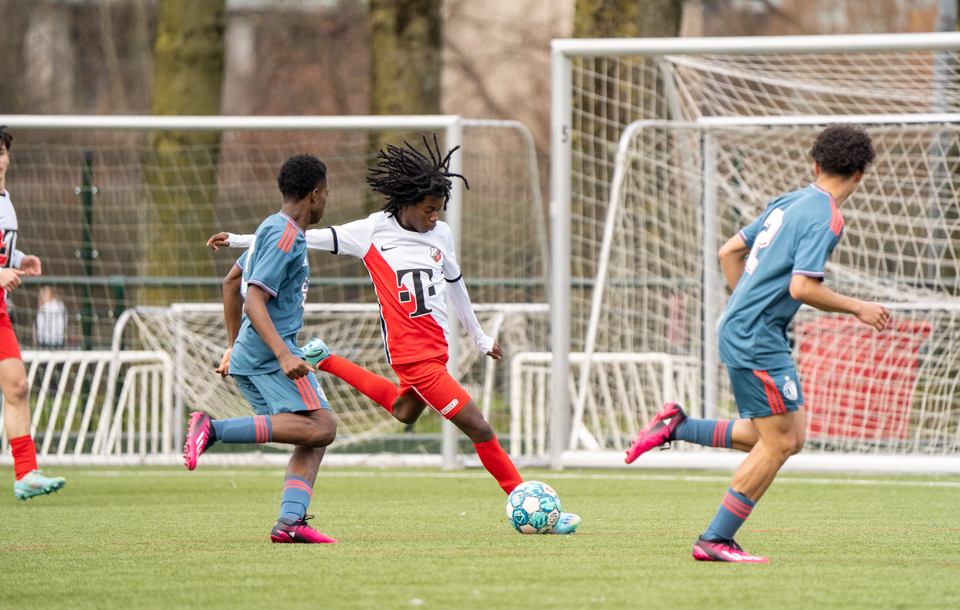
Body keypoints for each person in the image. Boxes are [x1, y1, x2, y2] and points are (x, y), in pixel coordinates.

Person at [208, 136, 581, 534]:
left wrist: (479, 337)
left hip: (437, 352)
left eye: (439, 210)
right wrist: (242, 239)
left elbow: (456, 284)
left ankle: (328, 361)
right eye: (428, 210)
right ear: (406, 203)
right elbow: (303, 235)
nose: (434, 217)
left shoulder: (441, 235)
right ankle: (533, 505)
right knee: (481, 428)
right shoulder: (372, 231)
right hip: (414, 358)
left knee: (405, 411)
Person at [624, 123, 890, 562]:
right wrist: (858, 307)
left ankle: (677, 425)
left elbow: (729, 251)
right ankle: (715, 539)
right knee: (780, 443)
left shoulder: (789, 202)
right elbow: (803, 288)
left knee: (789, 436)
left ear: (816, 163)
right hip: (756, 336)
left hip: (746, 328)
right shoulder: (827, 216)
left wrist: (744, 304)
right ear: (861, 174)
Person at [186, 153, 338, 544]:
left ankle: (290, 523)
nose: (327, 200)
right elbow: (253, 299)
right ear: (314, 194)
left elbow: (230, 281)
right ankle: (212, 428)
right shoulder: (285, 236)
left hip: (253, 355)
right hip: (273, 356)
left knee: (311, 436)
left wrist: (233, 347)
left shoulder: (272, 229)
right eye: (327, 193)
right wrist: (285, 355)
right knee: (323, 427)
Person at [0, 126, 65, 500]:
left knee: (18, 387)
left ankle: (25, 474)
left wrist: (20, 258)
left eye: (2, 151)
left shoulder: (6, 200)